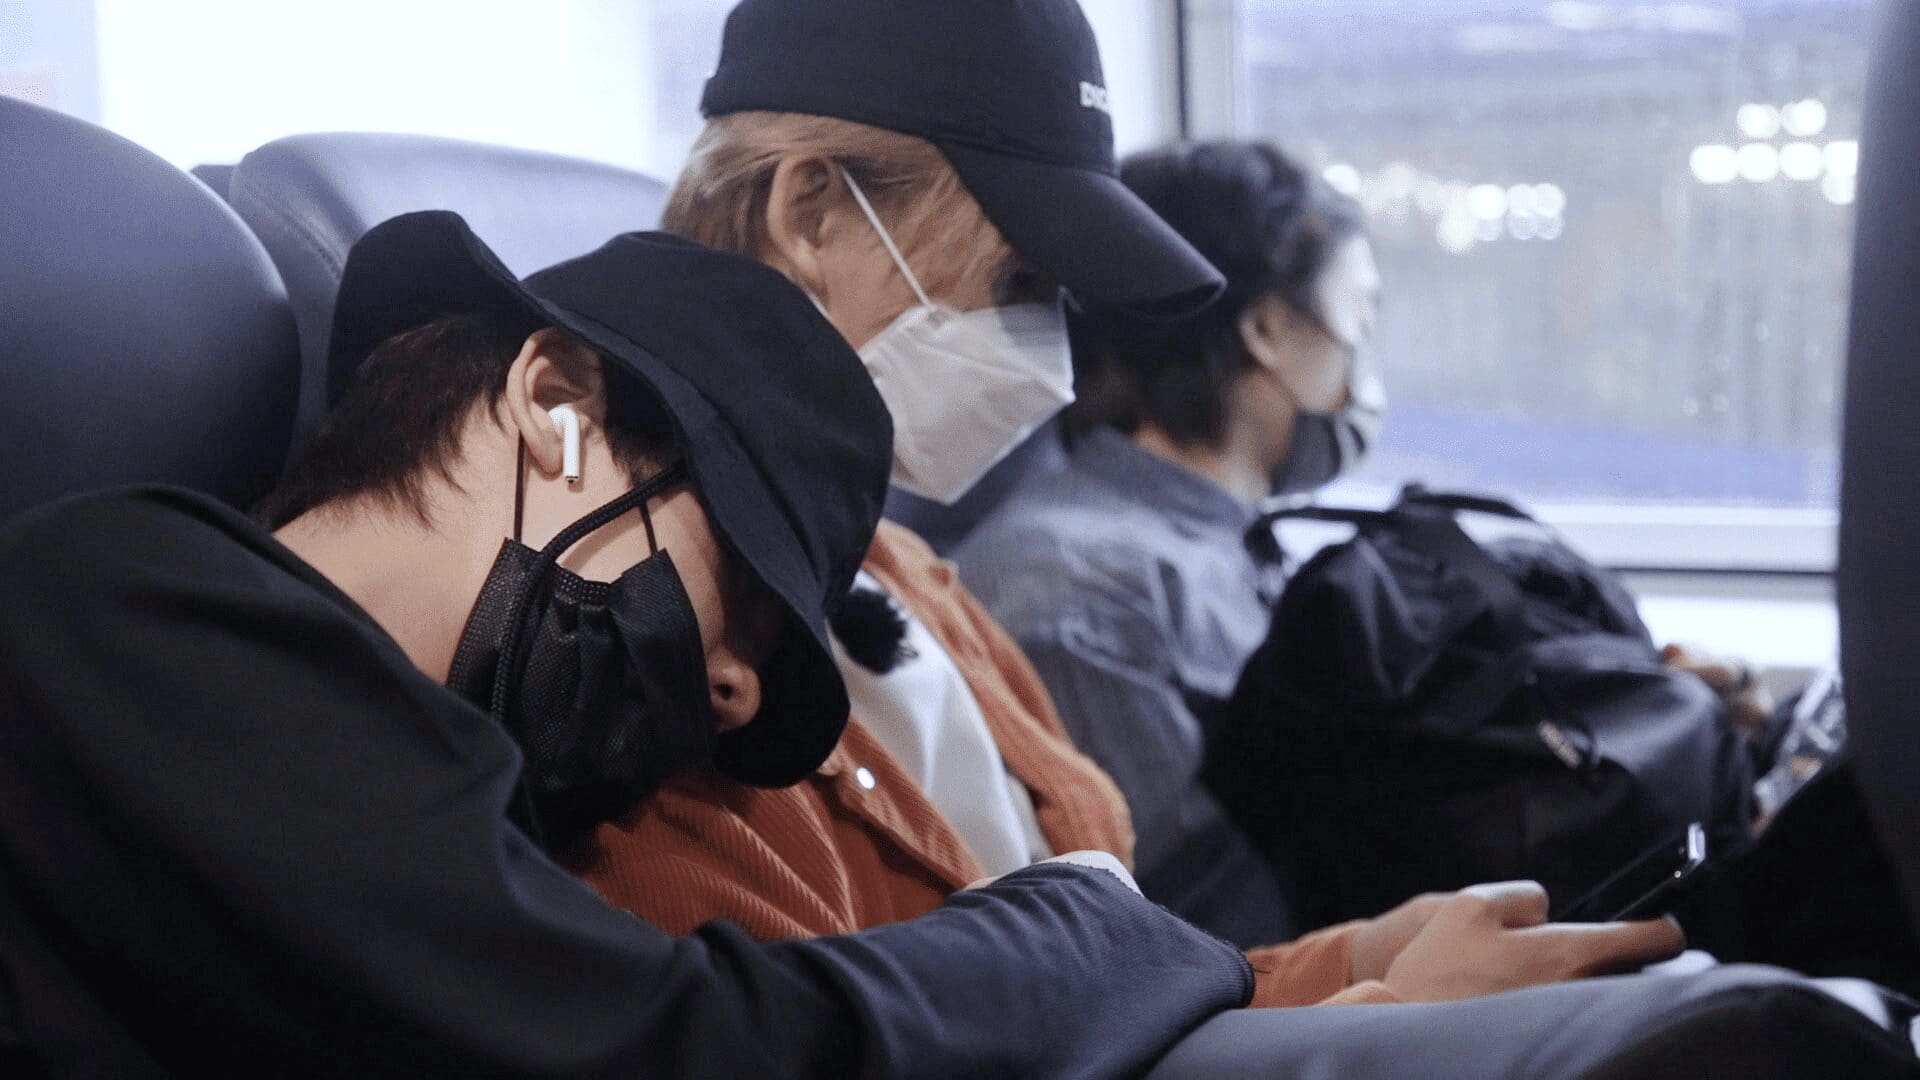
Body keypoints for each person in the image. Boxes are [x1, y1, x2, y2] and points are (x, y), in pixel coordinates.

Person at [570, 0, 1683, 1010]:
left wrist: (1358, 963)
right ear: (813, 213)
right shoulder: (641, 653)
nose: (1048, 359)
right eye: (1016, 283)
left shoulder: (909, 582)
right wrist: (1374, 1026)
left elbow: (1117, 984)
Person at [0, 211, 1256, 1076]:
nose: (733, 690)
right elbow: (681, 1053)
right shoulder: (129, 598)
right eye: (742, 585)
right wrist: (1088, 927)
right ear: (557, 404)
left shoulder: (464, 804)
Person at [957, 140, 1781, 941]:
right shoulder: (1078, 588)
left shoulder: (1247, 546)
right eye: (1357, 316)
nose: (1362, 363)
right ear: (1268, 329)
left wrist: (1642, 718)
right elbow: (1195, 919)